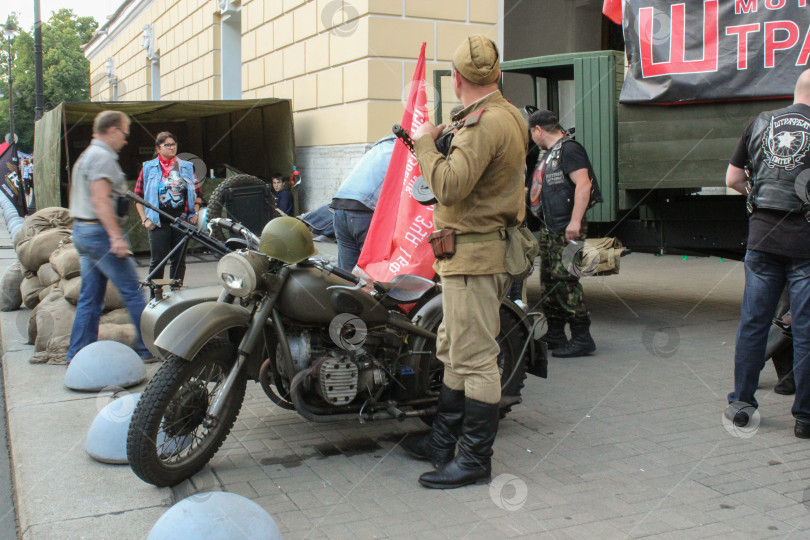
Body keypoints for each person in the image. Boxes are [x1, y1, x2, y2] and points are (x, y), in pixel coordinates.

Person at [401, 35, 528, 489]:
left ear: (456, 79)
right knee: (454, 349)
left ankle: (474, 459)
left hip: (474, 255)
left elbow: (451, 187)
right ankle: (442, 441)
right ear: (495, 75)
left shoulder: (483, 124)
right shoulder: (507, 115)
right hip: (472, 253)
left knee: (475, 359)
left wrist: (424, 145)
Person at [724, 69, 810, 438]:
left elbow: (732, 179)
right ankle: (804, 418)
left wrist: (756, 200)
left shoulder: (759, 122)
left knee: (753, 324)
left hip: (762, 238)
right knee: (805, 330)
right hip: (805, 243)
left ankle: (742, 406)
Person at [66, 111, 153, 363]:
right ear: (113, 130)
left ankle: (78, 353)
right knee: (133, 292)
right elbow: (100, 199)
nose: (125, 140)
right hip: (100, 234)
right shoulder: (102, 157)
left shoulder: (87, 156)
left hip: (84, 231)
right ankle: (148, 348)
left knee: (90, 299)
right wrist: (115, 237)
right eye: (125, 134)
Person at [528, 109, 597, 358]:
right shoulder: (548, 155)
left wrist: (575, 221)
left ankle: (582, 337)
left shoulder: (569, 149)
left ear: (538, 130)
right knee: (549, 282)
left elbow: (584, 183)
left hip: (568, 230)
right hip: (552, 229)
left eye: (531, 131)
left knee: (566, 280)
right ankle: (556, 333)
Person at [134, 132, 202, 291]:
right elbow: (138, 196)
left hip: (182, 220)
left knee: (179, 260)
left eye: (173, 144)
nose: (171, 147)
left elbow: (197, 194)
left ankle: (175, 294)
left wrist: (195, 213)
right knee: (158, 261)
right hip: (157, 222)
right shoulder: (148, 168)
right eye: (167, 145)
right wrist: (145, 219)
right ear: (158, 148)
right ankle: (154, 296)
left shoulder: (187, 166)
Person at [331, 135, 395, 270]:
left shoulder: (382, 144)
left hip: (341, 203)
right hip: (364, 208)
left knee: (346, 275)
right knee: (372, 273)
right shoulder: (407, 150)